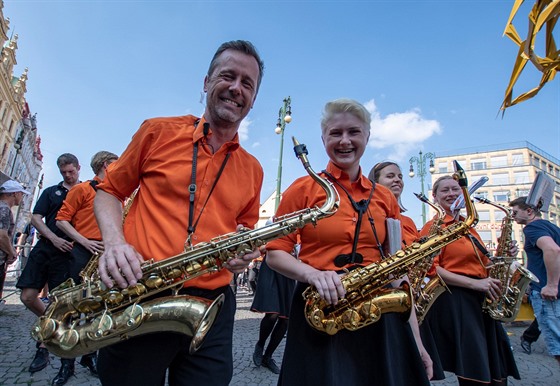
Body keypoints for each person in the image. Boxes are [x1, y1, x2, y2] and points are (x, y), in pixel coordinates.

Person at [93, 40, 265, 386]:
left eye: (247, 83)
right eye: (227, 76)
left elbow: (245, 230)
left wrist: (243, 254)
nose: (236, 88)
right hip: (142, 293)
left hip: (212, 306)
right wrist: (114, 243)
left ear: (254, 99)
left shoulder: (253, 169)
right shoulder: (157, 131)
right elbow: (109, 191)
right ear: (205, 82)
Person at [266, 98, 432, 386]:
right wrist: (313, 274)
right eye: (335, 133)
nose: (344, 141)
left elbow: (397, 272)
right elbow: (275, 253)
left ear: (367, 136)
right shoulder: (303, 189)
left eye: (353, 132)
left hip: (379, 312)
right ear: (323, 138)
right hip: (320, 306)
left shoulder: (384, 198)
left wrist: (416, 341)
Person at [419, 175, 520, 385]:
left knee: (496, 370)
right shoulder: (434, 227)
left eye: (456, 189)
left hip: (481, 298)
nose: (451, 194)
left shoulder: (469, 226)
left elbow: (486, 266)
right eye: (445, 190)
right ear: (435, 197)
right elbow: (431, 268)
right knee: (475, 370)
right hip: (456, 299)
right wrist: (475, 283)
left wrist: (505, 256)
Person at [50, 151, 118, 383]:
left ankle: (91, 354)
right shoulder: (82, 189)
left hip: (105, 253)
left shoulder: (118, 193)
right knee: (74, 307)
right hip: (84, 251)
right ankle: (66, 362)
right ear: (106, 165)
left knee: (99, 307)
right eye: (117, 165)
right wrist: (84, 241)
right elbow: (61, 220)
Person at [16, 153, 81, 380]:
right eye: (64, 172)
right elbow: (36, 217)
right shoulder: (51, 192)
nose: (68, 175)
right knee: (27, 296)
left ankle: (48, 348)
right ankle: (52, 328)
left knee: (61, 303)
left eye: (71, 171)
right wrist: (53, 238)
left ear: (78, 168)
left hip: (67, 254)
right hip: (45, 248)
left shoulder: (85, 191)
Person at [510, 196, 560, 366]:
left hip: (548, 293)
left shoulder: (532, 228)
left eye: (515, 212)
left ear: (529, 211)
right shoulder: (551, 226)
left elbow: (552, 249)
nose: (513, 216)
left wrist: (551, 285)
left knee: (558, 347)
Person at [250, 225, 297, 375]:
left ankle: (268, 356)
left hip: (289, 267)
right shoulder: (273, 223)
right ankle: (260, 343)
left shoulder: (300, 224)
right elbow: (260, 246)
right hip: (271, 265)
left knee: (286, 319)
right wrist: (269, 245)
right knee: (272, 313)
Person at [368, 161, 419, 246]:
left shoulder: (409, 222)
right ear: (375, 183)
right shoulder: (367, 217)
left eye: (400, 177)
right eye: (390, 176)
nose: (397, 180)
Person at [0, 180, 30, 301]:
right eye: (21, 194)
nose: (22, 197)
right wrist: (12, 252)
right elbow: (1, 236)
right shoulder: (4, 209)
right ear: (14, 194)